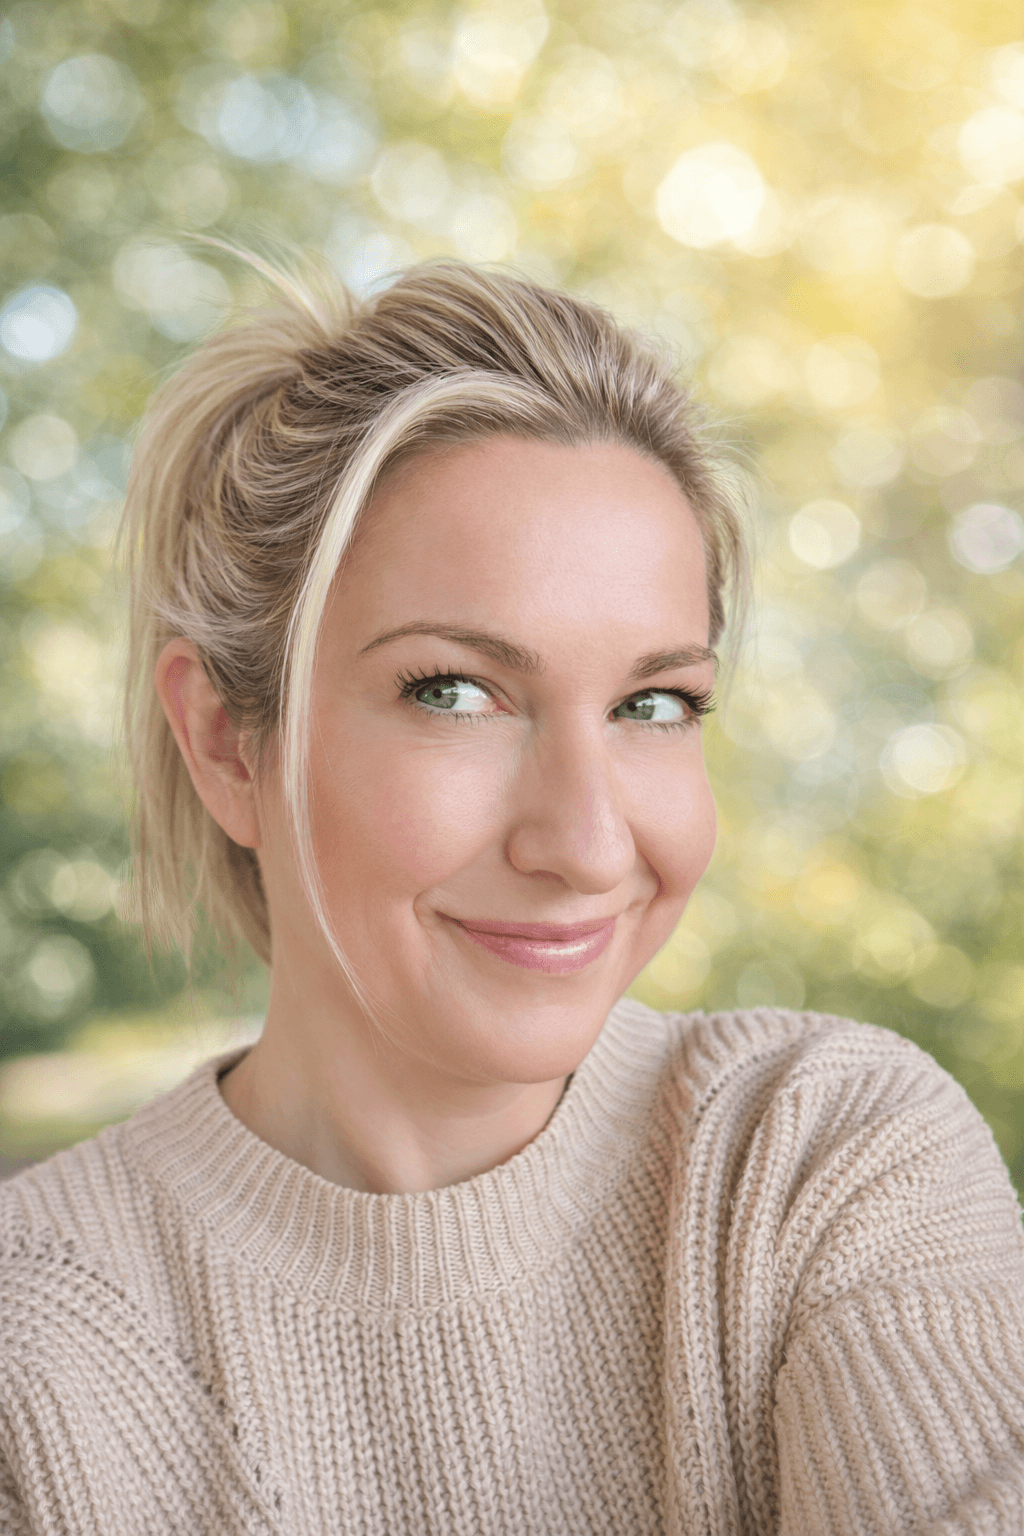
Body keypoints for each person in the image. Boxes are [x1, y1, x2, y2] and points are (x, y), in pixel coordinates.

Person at [2, 258, 1023, 1536]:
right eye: (454, 692)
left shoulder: (818, 1154)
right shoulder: (33, 1350)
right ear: (225, 744)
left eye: (654, 704)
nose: (586, 845)